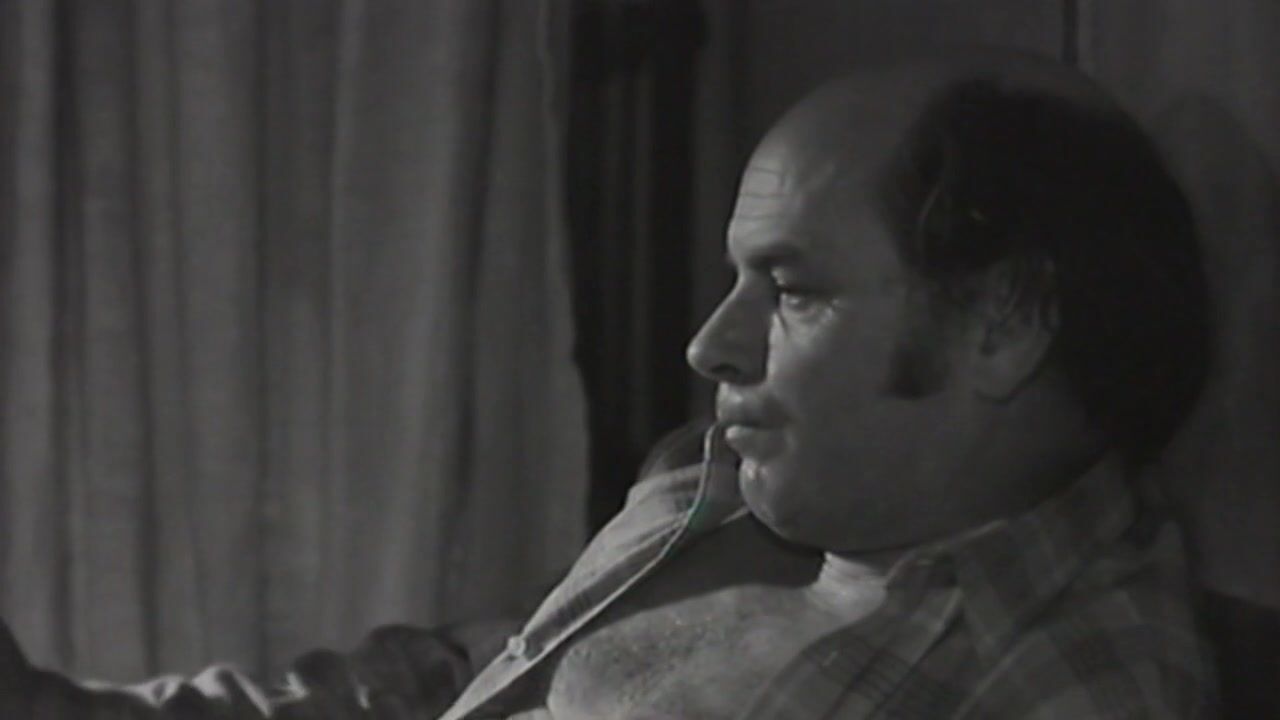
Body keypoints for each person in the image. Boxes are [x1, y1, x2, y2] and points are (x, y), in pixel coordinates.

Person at [0, 51, 1217, 718]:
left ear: (1002, 324)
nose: (709, 346)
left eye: (791, 290)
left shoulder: (1074, 684)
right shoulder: (723, 492)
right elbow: (452, 680)